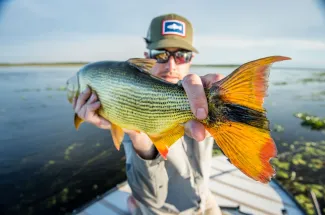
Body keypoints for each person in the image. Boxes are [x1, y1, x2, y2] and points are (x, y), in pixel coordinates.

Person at [72, 13, 224, 215]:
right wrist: (137, 137)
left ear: (191, 59)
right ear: (147, 57)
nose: (171, 66)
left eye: (181, 55)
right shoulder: (130, 109)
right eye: (160, 54)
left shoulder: (202, 95)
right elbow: (152, 199)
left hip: (205, 198)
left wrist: (231, 110)